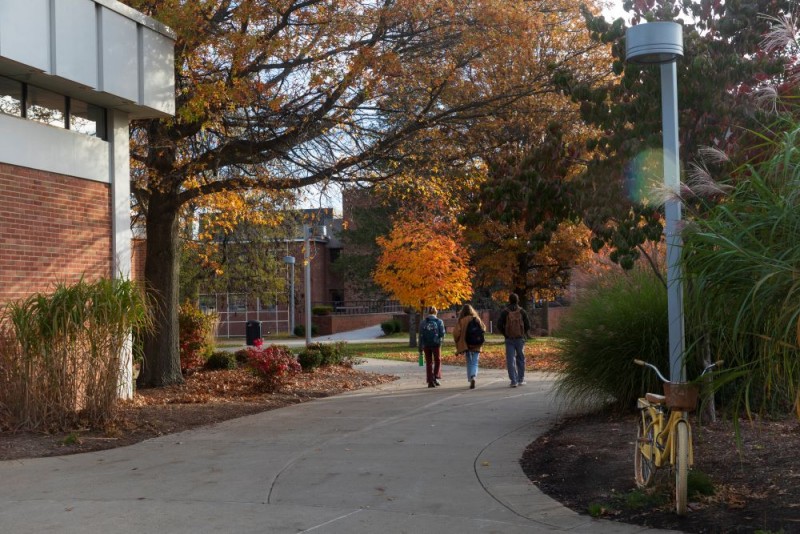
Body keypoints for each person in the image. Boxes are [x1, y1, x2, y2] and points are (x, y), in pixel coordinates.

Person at [496, 293, 531, 388]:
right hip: (520, 339)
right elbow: (528, 325)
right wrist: (523, 333)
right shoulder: (522, 311)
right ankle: (521, 379)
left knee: (510, 360)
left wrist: (505, 334)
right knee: (521, 359)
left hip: (509, 339)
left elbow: (499, 325)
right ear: (518, 300)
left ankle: (513, 381)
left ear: (509, 300)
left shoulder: (505, 312)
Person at [452, 304, 486, 389]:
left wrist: (457, 341)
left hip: (466, 344)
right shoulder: (476, 319)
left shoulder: (461, 321)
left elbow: (456, 333)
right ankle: (473, 376)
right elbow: (484, 328)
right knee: (475, 362)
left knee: (469, 362)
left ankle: (470, 379)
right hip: (476, 344)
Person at [418, 306, 445, 388]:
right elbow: (442, 334)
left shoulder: (423, 322)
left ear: (428, 313)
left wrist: (420, 347)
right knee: (438, 360)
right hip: (436, 344)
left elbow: (420, 335)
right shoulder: (439, 321)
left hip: (426, 345)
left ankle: (430, 381)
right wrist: (440, 341)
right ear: (436, 312)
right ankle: (435, 377)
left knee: (429, 362)